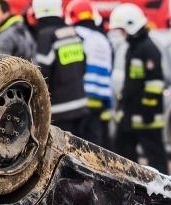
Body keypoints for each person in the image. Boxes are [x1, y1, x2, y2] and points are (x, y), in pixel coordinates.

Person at [109, 4, 168, 174]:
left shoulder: (148, 49)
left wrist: (147, 110)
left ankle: (164, 191)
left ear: (130, 25)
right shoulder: (133, 48)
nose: (121, 34)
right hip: (130, 117)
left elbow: (155, 83)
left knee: (156, 157)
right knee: (123, 154)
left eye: (122, 29)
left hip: (146, 118)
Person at [33, 0, 89, 137]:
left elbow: (42, 74)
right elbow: (83, 64)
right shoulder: (72, 32)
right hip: (80, 105)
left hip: (60, 110)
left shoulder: (46, 35)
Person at [67, 0, 113, 148]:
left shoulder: (77, 35)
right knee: (98, 142)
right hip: (102, 100)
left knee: (81, 144)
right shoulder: (103, 38)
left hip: (83, 98)